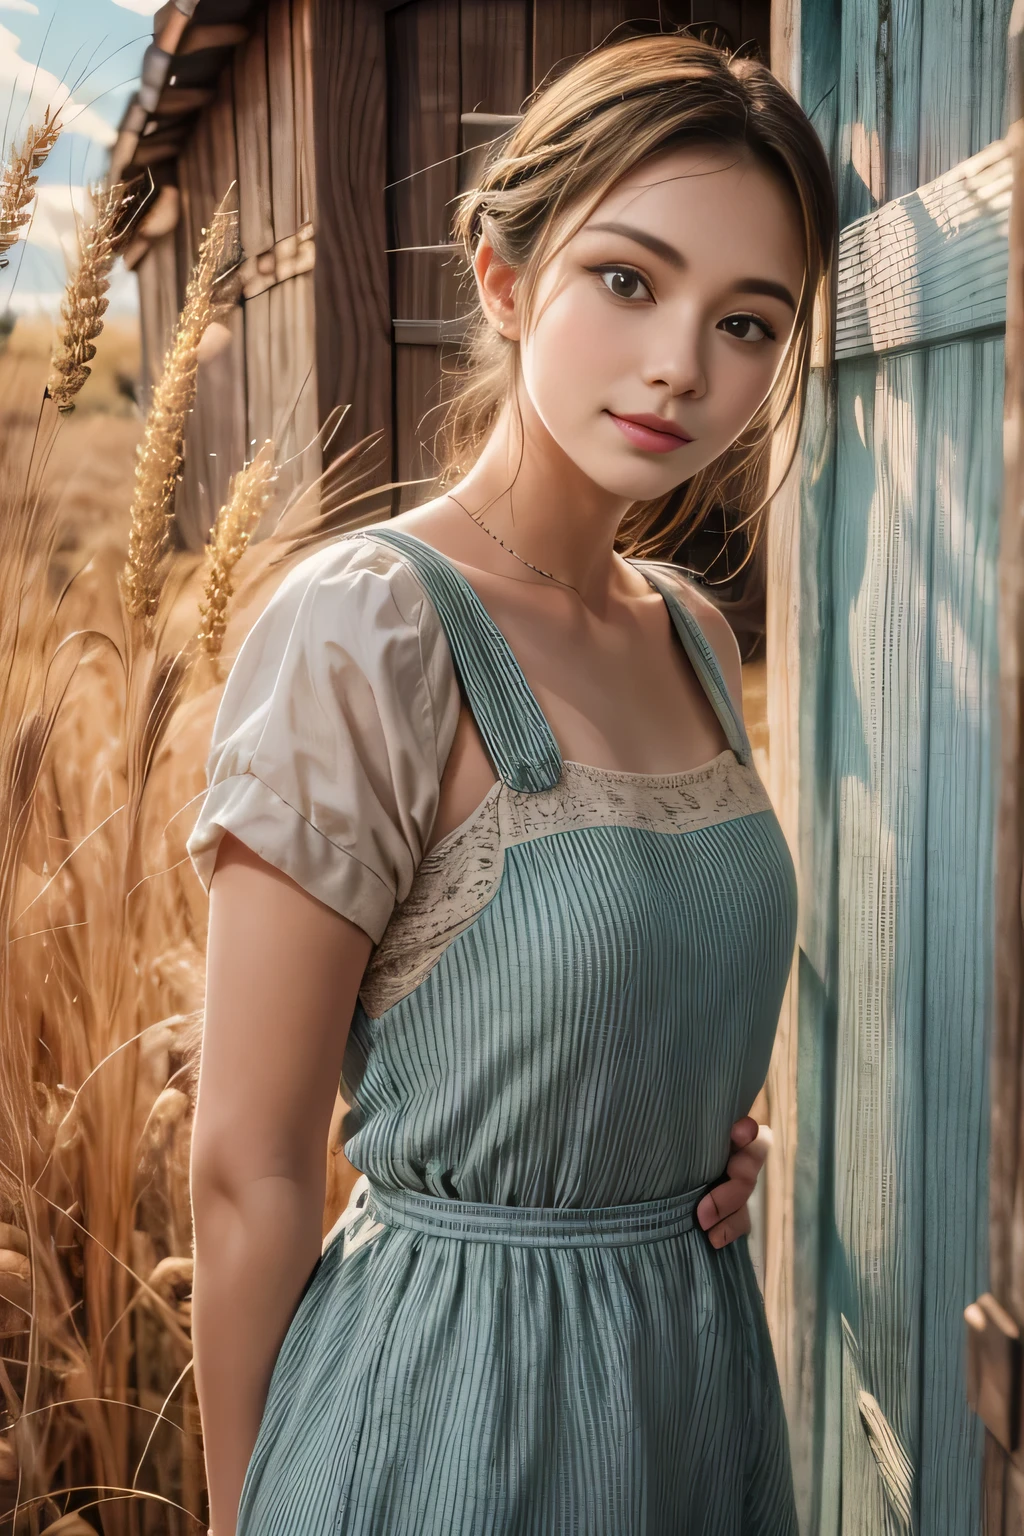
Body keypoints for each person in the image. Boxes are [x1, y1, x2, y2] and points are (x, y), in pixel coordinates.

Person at [185, 28, 836, 1536]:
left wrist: (692, 1137)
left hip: (688, 1386)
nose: (683, 362)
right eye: (628, 280)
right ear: (501, 274)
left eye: (749, 322)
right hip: (451, 1422)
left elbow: (630, 993)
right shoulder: (371, 627)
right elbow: (249, 1166)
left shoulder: (687, 626)